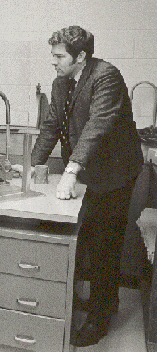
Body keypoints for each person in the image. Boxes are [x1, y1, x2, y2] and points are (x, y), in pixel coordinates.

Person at [31, 26, 143, 347]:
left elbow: (98, 126)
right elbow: (52, 123)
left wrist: (71, 169)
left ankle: (101, 316)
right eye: (52, 55)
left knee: (105, 242)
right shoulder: (61, 82)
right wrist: (34, 165)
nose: (53, 62)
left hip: (116, 172)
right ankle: (94, 299)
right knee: (84, 237)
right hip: (87, 171)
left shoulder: (107, 76)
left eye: (59, 56)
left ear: (81, 56)